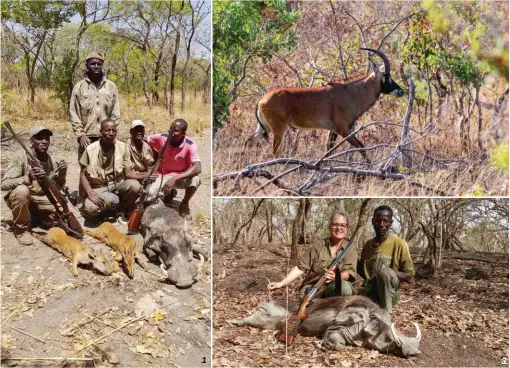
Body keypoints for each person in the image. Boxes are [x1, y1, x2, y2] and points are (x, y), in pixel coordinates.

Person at [1, 126, 67, 245]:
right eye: (39, 139)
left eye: (47, 139)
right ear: (31, 141)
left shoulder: (51, 159)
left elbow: (57, 188)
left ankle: (37, 217)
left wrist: (62, 175)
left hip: (41, 198)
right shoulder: (21, 156)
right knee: (22, 191)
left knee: (65, 209)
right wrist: (27, 178)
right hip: (23, 198)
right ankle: (20, 230)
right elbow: (4, 184)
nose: (44, 142)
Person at [268, 211, 357, 298]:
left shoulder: (350, 248)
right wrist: (281, 283)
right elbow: (300, 267)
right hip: (313, 287)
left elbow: (349, 272)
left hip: (334, 287)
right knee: (306, 306)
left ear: (347, 228)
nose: (338, 228)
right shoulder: (318, 245)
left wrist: (337, 277)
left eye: (342, 225)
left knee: (344, 288)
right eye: (335, 224)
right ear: (329, 227)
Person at [358, 205, 415, 314]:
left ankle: (386, 316)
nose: (381, 225)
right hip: (370, 292)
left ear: (391, 223)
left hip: (390, 293)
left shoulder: (399, 244)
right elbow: (362, 273)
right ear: (372, 221)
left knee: (384, 272)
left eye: (385, 221)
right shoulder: (367, 246)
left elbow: (410, 276)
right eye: (378, 221)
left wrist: (386, 272)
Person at [79, 119, 141, 218]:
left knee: (135, 186)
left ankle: (124, 207)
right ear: (101, 132)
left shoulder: (123, 147)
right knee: (92, 209)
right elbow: (82, 174)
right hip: (99, 187)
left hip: (117, 183)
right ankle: (111, 207)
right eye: (107, 130)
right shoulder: (90, 150)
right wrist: (90, 192)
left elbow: (129, 172)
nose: (111, 133)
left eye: (114, 130)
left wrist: (148, 174)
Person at [70, 51, 120, 161]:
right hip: (87, 138)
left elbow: (115, 113)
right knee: (86, 170)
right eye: (92, 64)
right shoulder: (79, 87)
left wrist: (111, 133)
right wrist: (80, 135)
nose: (96, 66)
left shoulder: (111, 87)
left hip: (106, 137)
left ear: (102, 65)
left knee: (106, 170)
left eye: (99, 63)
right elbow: (74, 113)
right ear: (87, 65)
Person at [146, 119, 201, 216]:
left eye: (175, 130)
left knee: (196, 180)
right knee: (150, 192)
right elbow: (144, 138)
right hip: (163, 175)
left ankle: (184, 203)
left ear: (183, 133)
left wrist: (175, 179)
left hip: (181, 177)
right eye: (170, 128)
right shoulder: (161, 138)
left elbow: (197, 168)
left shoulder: (190, 144)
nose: (170, 131)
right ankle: (169, 194)